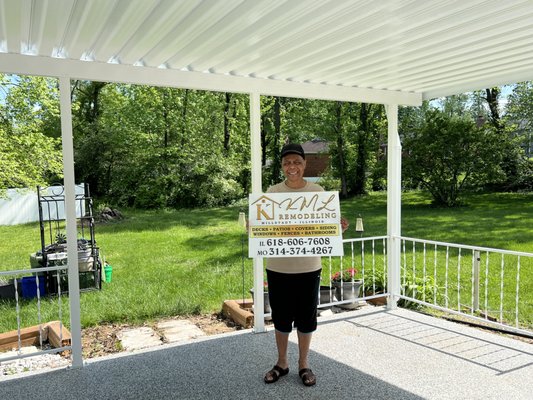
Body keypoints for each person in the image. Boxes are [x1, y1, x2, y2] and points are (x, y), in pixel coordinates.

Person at [263, 143, 349, 387]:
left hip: (309, 267)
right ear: (282, 166)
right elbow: (265, 227)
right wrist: (255, 228)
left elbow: (326, 226)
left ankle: (303, 363)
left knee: (306, 318)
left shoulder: (318, 191)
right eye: (287, 162)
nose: (292, 167)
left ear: (304, 164)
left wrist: (337, 228)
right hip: (278, 267)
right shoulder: (272, 191)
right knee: (280, 317)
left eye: (297, 162)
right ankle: (282, 363)